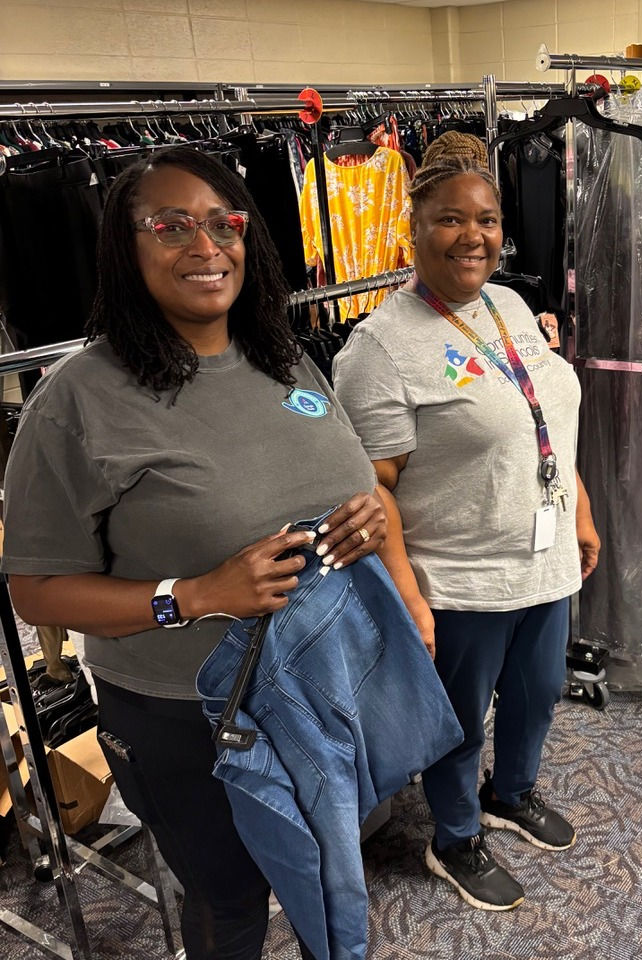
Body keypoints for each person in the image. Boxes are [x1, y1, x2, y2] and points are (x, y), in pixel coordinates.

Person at [0, 146, 418, 960]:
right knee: (230, 903)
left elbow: (345, 478)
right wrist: (193, 594)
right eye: (170, 226)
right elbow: (37, 593)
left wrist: (367, 520)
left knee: (328, 877)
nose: (205, 245)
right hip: (184, 717)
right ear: (124, 247)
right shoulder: (77, 400)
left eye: (224, 223)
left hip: (319, 681)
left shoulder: (282, 356)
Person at [333, 146, 601, 911]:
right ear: (413, 225)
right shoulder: (380, 348)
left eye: (486, 219)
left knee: (538, 695)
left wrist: (577, 507)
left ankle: (510, 793)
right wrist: (410, 597)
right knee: (456, 721)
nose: (471, 235)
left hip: (541, 561)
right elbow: (372, 489)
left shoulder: (509, 306)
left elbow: (542, 422)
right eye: (450, 218)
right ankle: (454, 837)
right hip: (459, 577)